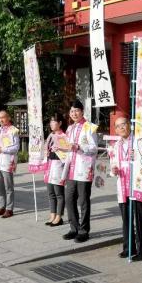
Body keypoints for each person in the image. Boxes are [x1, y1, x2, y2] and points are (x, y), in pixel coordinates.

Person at [111, 116, 142, 261]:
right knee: (126, 219)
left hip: (137, 184)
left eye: (123, 124)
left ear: (129, 125)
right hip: (123, 185)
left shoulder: (138, 141)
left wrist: (139, 157)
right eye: (118, 126)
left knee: (141, 219)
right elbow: (113, 163)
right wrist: (113, 169)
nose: (121, 128)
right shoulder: (116, 145)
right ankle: (129, 247)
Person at [63, 99, 98, 243]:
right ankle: (74, 228)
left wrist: (80, 148)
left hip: (84, 168)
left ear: (82, 111)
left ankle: (84, 231)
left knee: (83, 201)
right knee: (69, 199)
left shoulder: (90, 127)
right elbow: (66, 147)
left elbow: (94, 148)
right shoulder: (69, 129)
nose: (74, 113)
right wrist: (59, 148)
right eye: (71, 111)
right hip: (71, 168)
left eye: (76, 110)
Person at [0, 110, 20, 219]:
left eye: (3, 117)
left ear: (8, 117)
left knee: (8, 187)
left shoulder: (13, 131)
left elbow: (16, 147)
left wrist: (2, 150)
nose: (1, 120)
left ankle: (9, 209)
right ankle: (1, 206)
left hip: (7, 161)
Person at [43, 113, 67, 227]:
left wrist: (60, 149)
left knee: (59, 193)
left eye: (54, 122)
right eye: (51, 122)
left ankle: (59, 216)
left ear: (60, 123)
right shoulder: (50, 136)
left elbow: (66, 153)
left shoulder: (64, 136)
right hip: (49, 165)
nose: (52, 124)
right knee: (50, 192)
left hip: (58, 165)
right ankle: (52, 214)